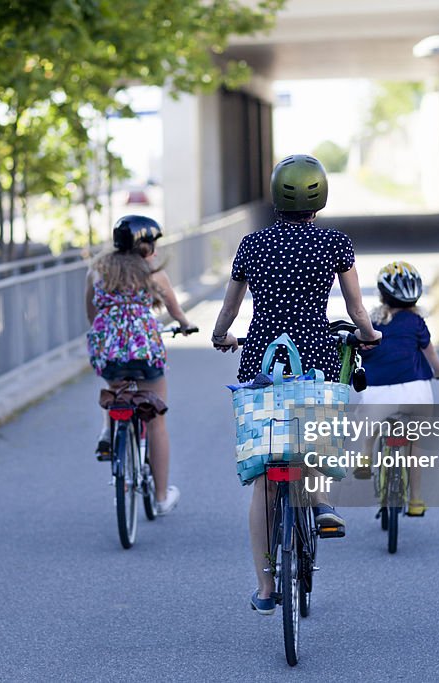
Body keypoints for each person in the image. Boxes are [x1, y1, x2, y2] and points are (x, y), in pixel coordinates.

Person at [211, 154, 381, 615]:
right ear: (320, 197)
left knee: (267, 477)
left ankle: (266, 590)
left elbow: (229, 310)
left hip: (264, 356)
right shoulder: (335, 244)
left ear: (275, 195)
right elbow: (358, 310)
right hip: (316, 355)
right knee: (316, 435)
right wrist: (369, 335)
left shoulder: (252, 245)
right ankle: (322, 502)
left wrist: (220, 336)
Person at [86, 215, 196, 516]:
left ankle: (109, 429)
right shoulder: (153, 274)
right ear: (144, 246)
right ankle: (161, 497)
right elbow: (176, 312)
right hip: (145, 355)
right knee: (156, 418)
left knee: (116, 388)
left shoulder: (98, 273)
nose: (156, 251)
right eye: (153, 244)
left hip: (109, 353)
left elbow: (92, 315)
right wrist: (186, 325)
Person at [357, 260, 439, 518]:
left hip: (378, 392)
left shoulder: (372, 323)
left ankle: (365, 456)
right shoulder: (416, 323)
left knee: (368, 417)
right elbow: (431, 355)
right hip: (414, 393)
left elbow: (361, 349)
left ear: (382, 294)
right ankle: (416, 500)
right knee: (415, 444)